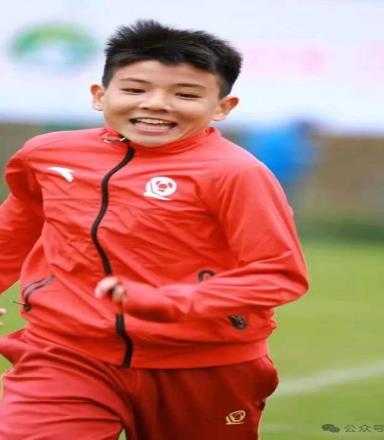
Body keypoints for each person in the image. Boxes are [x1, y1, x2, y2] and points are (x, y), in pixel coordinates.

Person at [0, 20, 308, 439]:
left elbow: (279, 274)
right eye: (135, 89)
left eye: (186, 95)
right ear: (100, 95)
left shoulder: (237, 173)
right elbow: (18, 227)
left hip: (204, 364)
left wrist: (170, 301)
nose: (157, 104)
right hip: (64, 352)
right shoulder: (47, 155)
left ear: (222, 107)